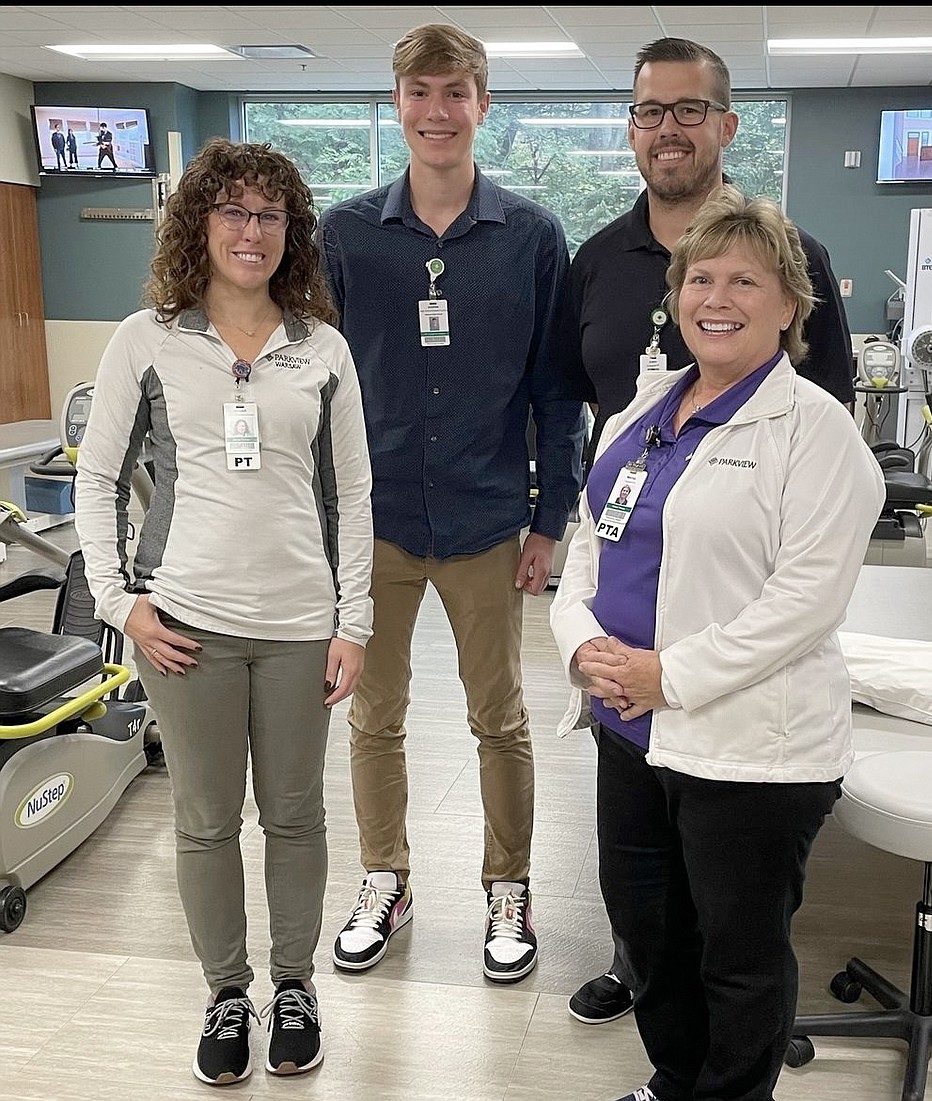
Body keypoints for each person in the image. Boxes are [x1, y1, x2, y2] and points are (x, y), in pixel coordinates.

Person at [549, 184, 885, 1101]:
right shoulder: (642, 413)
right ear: (675, 295)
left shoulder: (816, 434)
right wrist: (583, 648)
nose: (718, 299)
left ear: (789, 306)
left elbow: (805, 601)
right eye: (701, 278)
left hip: (751, 751)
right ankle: (674, 1080)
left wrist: (671, 673)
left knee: (737, 953)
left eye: (746, 280)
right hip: (627, 729)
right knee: (650, 933)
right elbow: (585, 552)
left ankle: (733, 1093)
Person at [73, 138, 374, 1086]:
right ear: (198, 223)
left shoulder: (319, 347)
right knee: (205, 822)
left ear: (294, 233)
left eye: (271, 215)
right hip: (186, 628)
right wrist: (122, 601)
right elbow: (97, 477)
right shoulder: (146, 338)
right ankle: (225, 992)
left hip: (296, 624)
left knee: (294, 819)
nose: (252, 231)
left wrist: (352, 620)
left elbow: (356, 493)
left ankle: (294, 986)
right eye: (234, 211)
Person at [318, 23, 585, 984]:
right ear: (397, 105)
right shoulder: (345, 235)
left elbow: (558, 394)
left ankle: (506, 888)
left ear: (483, 104)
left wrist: (549, 520)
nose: (439, 111)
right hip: (376, 523)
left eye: (457, 91)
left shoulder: (531, 238)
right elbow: (316, 388)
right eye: (421, 91)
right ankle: (384, 878)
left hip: (483, 521)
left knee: (499, 719)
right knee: (372, 717)